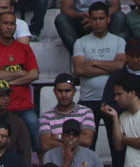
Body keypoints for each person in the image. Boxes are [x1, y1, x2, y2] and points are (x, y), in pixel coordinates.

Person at [0, 12, 39, 150]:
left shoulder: (25, 49)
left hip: (25, 107)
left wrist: (9, 82)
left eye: (12, 24)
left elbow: (34, 74)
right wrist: (20, 73)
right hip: (1, 109)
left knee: (38, 143)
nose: (9, 27)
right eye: (5, 23)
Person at [72, 2, 126, 146]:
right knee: (86, 146)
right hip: (87, 101)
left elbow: (120, 66)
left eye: (101, 18)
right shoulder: (80, 42)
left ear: (108, 19)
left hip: (113, 100)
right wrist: (110, 66)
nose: (97, 22)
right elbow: (79, 70)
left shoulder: (119, 41)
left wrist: (94, 62)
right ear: (89, 19)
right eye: (94, 19)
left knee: (117, 146)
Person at [39, 73, 96, 154]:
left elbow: (87, 141)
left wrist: (58, 137)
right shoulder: (46, 116)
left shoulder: (86, 112)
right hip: (56, 162)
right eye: (60, 91)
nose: (64, 95)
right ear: (54, 92)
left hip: (81, 161)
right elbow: (45, 144)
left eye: (67, 91)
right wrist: (75, 140)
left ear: (74, 91)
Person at [55, 0, 126, 54]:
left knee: (119, 16)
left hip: (103, 19)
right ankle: (79, 57)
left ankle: (110, 53)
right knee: (61, 19)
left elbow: (116, 6)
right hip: (81, 20)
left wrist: (97, 16)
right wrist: (84, 16)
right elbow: (65, 9)